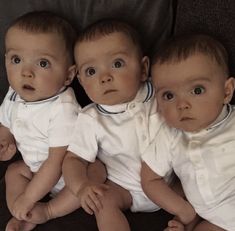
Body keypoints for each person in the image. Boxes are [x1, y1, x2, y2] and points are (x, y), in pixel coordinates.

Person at [62, 19, 174, 231]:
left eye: (117, 64)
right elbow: (73, 159)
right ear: (81, 81)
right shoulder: (91, 118)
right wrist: (81, 186)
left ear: (143, 69)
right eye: (91, 71)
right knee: (102, 203)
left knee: (200, 190)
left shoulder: (159, 93)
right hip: (123, 189)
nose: (105, 77)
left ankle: (183, 221)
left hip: (169, 184)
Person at [0, 11, 106, 231]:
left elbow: (56, 162)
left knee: (97, 173)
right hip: (34, 167)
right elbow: (6, 123)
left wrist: (30, 196)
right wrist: (5, 140)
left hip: (67, 172)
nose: (26, 72)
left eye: (43, 63)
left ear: (68, 76)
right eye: (16, 60)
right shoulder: (13, 94)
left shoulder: (63, 107)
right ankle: (23, 214)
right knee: (13, 172)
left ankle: (48, 211)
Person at [141, 34, 235, 231]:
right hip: (216, 221)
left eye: (197, 90)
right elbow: (149, 180)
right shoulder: (170, 135)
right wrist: (183, 212)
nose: (182, 105)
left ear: (226, 91)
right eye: (168, 95)